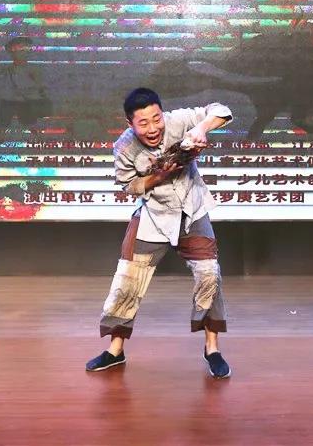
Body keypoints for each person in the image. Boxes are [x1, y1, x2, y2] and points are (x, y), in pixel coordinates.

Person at [85, 87, 233, 378]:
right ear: (130, 123)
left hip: (192, 210)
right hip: (153, 216)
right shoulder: (124, 148)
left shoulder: (178, 121)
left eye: (156, 119)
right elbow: (130, 186)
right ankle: (115, 350)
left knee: (209, 275)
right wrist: (159, 176)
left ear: (162, 113)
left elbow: (222, 111)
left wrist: (202, 128)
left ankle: (212, 349)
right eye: (143, 123)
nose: (153, 128)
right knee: (128, 280)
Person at [0, 36, 50, 147]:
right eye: (18, 49)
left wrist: (32, 90)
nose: (22, 52)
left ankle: (37, 135)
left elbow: (40, 85)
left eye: (26, 49)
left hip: (26, 100)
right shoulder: (8, 69)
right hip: (11, 99)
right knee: (5, 112)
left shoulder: (32, 69)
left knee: (27, 119)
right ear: (11, 52)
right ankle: (0, 136)